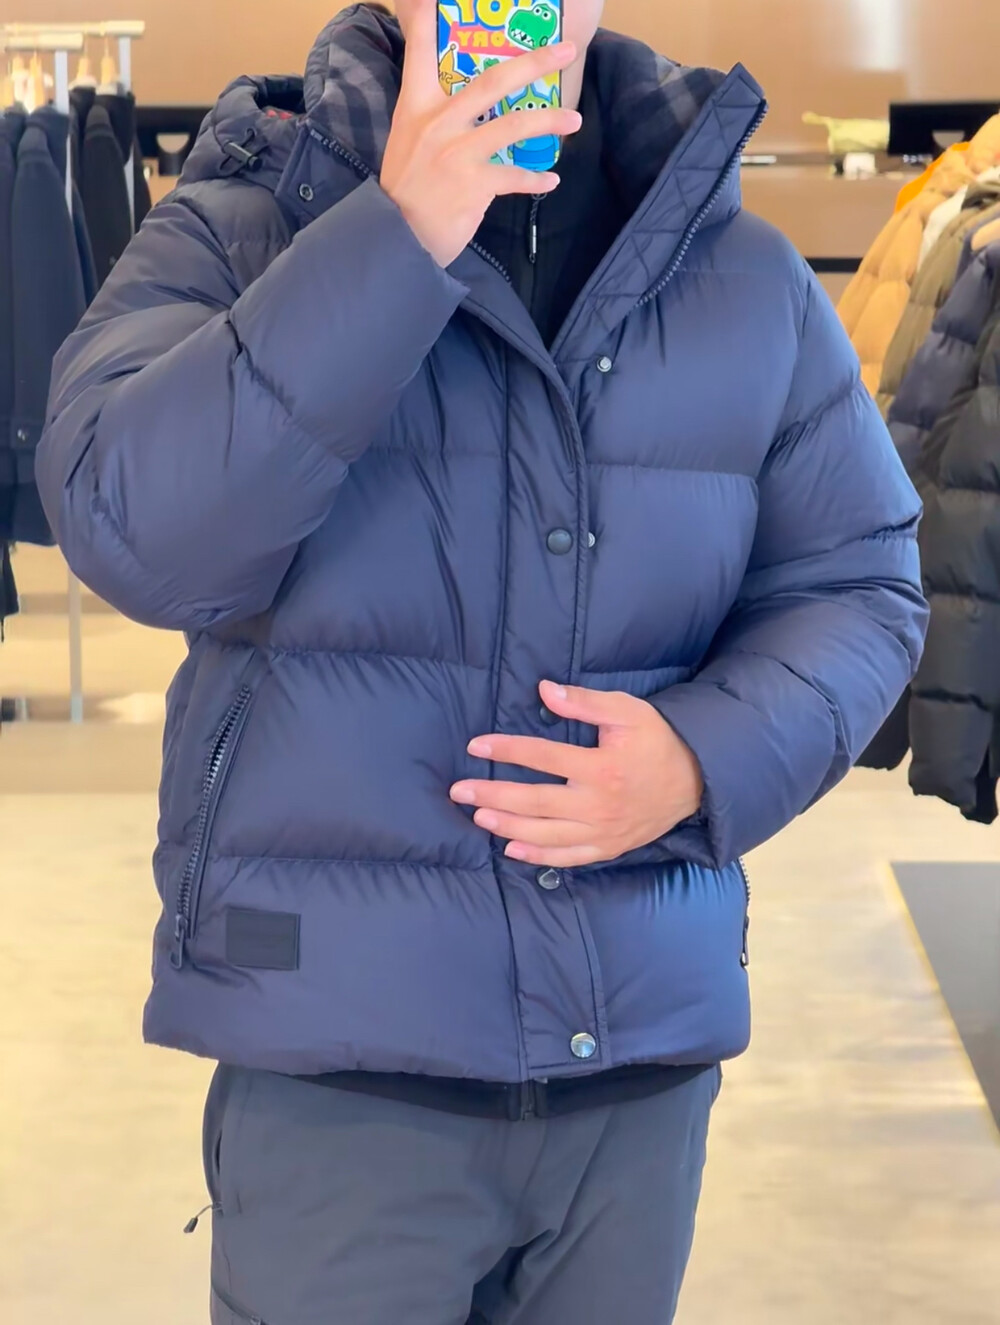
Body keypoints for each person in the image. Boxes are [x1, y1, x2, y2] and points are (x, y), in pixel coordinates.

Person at [37, 2, 927, 1321]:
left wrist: (701, 760)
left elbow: (862, 583)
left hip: (634, 1073)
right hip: (344, 1067)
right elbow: (135, 535)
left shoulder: (738, 272)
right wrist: (390, 244)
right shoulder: (242, 224)